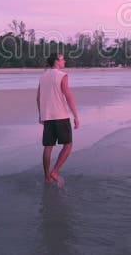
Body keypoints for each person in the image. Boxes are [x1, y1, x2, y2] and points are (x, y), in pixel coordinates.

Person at [37, 52, 79, 186]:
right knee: (68, 145)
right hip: (61, 116)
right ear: (56, 61)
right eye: (62, 59)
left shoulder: (42, 76)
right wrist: (76, 116)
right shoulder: (62, 76)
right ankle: (54, 171)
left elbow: (38, 98)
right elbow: (68, 96)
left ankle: (46, 178)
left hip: (47, 116)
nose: (64, 61)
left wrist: (41, 114)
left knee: (48, 147)